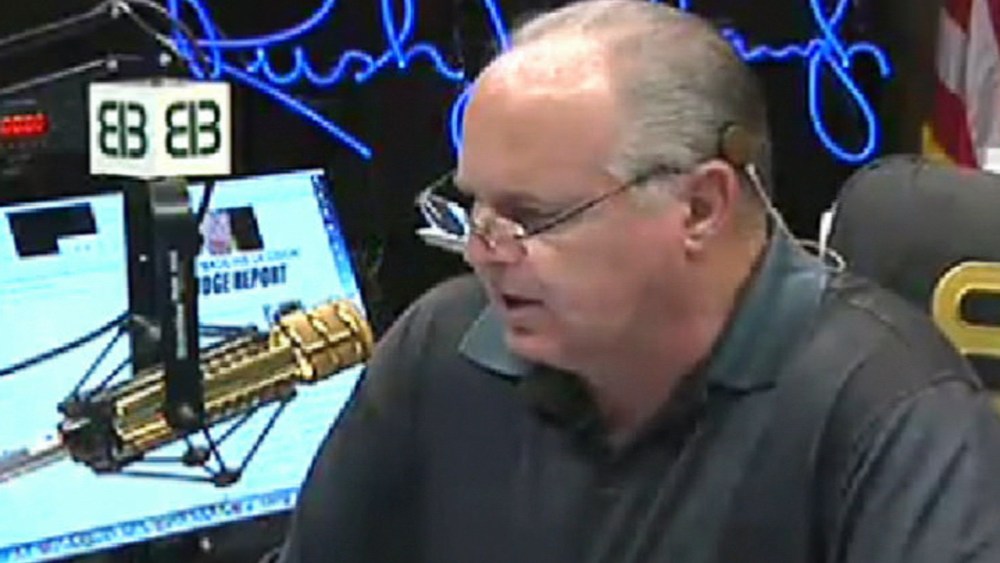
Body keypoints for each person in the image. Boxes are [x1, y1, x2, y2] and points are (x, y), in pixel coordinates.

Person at [276, 1, 1000, 561]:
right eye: (474, 209)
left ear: (700, 207)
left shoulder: (885, 406)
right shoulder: (443, 346)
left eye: (535, 217)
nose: (482, 252)